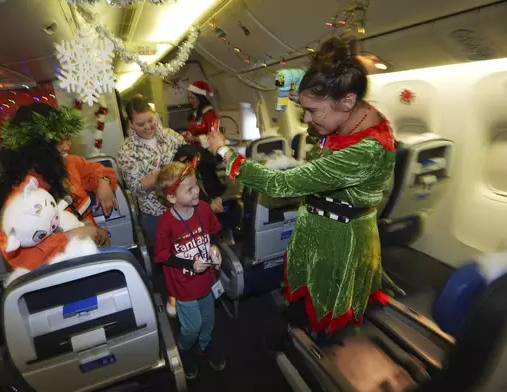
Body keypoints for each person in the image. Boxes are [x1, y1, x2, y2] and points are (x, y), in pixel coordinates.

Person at [207, 36, 397, 336]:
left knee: (330, 310)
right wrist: (311, 103)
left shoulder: (366, 152)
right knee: (304, 298)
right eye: (303, 110)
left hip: (339, 243)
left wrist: (224, 152)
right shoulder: (351, 116)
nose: (306, 119)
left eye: (313, 111)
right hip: (318, 231)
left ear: (347, 101)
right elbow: (324, 131)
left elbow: (282, 183)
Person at [0, 103, 117, 268]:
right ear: (38, 148)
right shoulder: (22, 192)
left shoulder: (68, 164)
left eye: (66, 137)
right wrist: (74, 235)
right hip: (59, 270)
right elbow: (18, 255)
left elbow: (98, 170)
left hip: (90, 253)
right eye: (58, 141)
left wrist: (104, 183)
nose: (67, 145)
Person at [153, 160, 225, 379]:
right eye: (190, 189)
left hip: (206, 280)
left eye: (196, 186)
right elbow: (162, 256)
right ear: (172, 198)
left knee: (208, 321)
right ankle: (186, 350)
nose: (197, 192)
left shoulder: (202, 209)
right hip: (183, 285)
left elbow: (212, 234)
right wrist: (189, 264)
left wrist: (213, 247)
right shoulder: (166, 224)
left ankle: (204, 346)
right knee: (191, 328)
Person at [117, 94, 186, 244]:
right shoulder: (127, 151)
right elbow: (135, 188)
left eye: (150, 120)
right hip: (155, 215)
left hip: (183, 207)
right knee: (166, 259)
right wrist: (165, 175)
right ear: (131, 124)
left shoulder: (172, 136)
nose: (148, 127)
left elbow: (189, 161)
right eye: (141, 124)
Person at [184, 81, 219, 146]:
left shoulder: (210, 115)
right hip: (196, 150)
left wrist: (192, 138)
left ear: (200, 98)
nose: (189, 101)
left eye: (192, 98)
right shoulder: (195, 113)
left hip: (205, 153)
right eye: (188, 98)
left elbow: (212, 139)